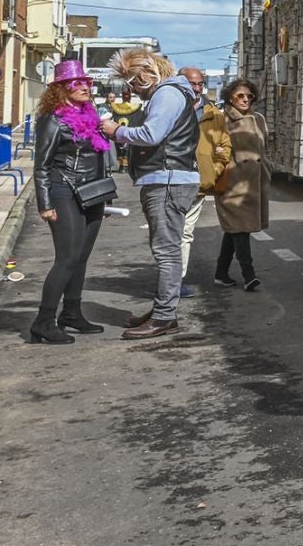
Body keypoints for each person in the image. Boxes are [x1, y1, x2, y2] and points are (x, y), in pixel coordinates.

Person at [101, 49, 201, 340]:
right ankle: (162, 310)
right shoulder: (172, 93)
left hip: (168, 179)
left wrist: (115, 130)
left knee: (167, 251)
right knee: (167, 249)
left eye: (131, 83)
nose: (130, 90)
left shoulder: (167, 94)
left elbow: (151, 135)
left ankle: (165, 316)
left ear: (144, 76)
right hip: (168, 178)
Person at [30, 60, 116, 344]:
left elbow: (98, 160)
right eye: (76, 83)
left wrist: (103, 199)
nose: (84, 88)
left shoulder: (91, 117)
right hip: (63, 192)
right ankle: (43, 322)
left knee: (81, 258)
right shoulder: (53, 120)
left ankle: (72, 314)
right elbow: (41, 165)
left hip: (91, 193)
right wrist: (45, 203)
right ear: (61, 89)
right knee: (67, 258)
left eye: (86, 83)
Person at [212, 78, 270, 291]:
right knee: (241, 228)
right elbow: (209, 145)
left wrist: (267, 170)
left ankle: (221, 273)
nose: (245, 100)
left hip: (254, 181)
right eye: (240, 96)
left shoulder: (259, 119)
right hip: (232, 182)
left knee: (235, 229)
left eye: (249, 96)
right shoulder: (221, 120)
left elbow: (264, 148)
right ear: (230, 97)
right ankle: (249, 275)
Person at [178, 66, 216, 298]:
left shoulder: (212, 112)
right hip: (172, 179)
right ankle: (168, 279)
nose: (197, 88)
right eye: (192, 83)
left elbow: (223, 144)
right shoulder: (171, 107)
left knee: (185, 233)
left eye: (200, 83)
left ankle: (176, 280)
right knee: (169, 233)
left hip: (198, 181)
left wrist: (214, 168)